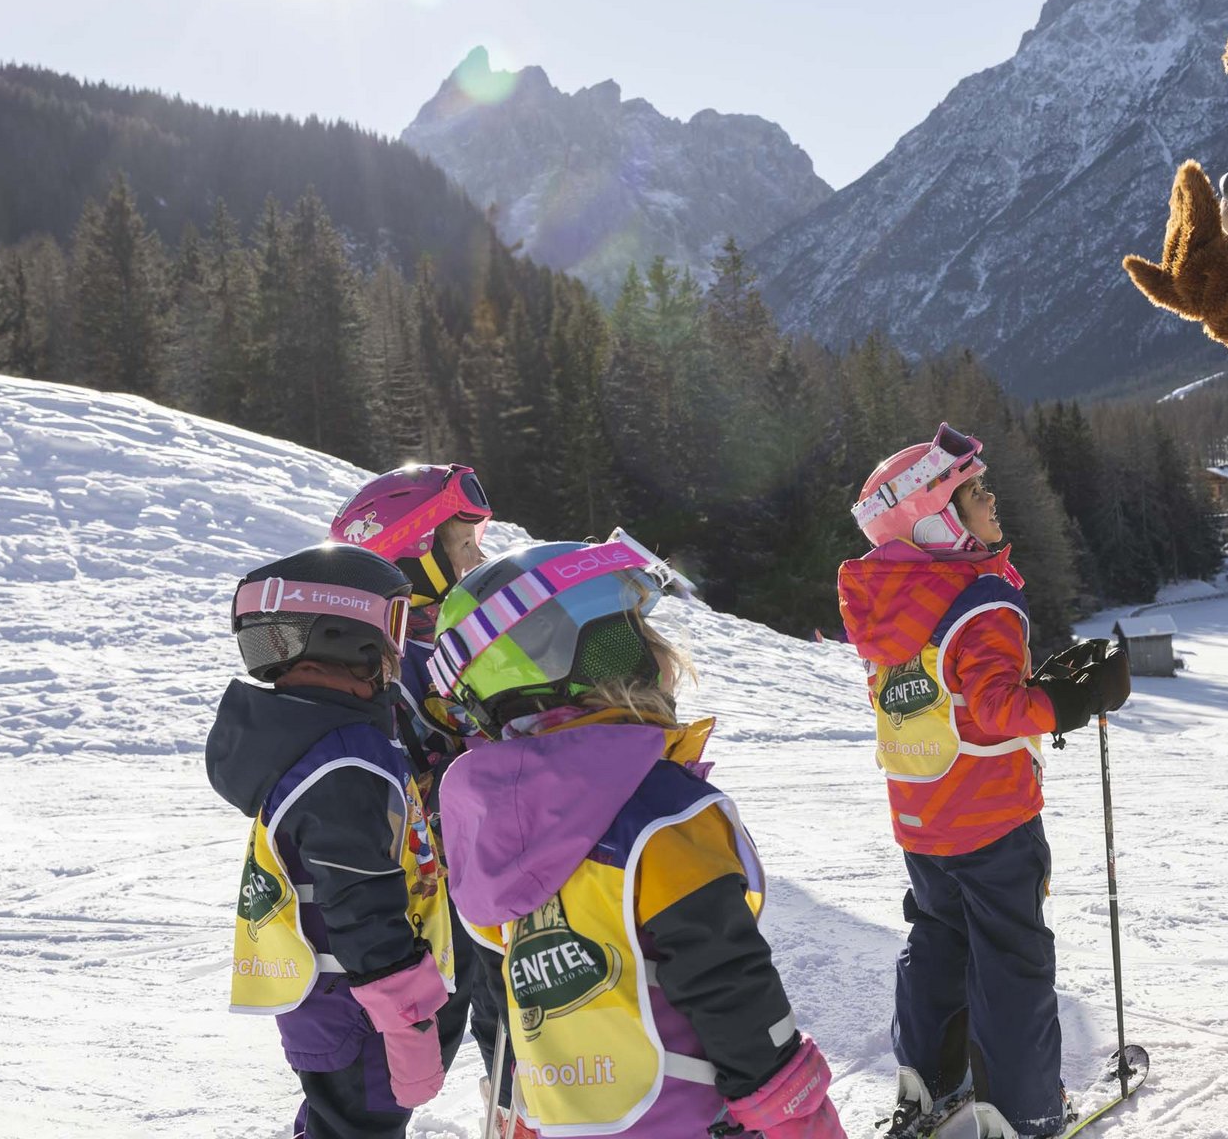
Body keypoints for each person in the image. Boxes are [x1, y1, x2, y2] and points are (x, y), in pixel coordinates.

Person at [428, 534, 846, 1139]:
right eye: (633, 630)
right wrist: (796, 1111)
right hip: (681, 1116)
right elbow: (726, 981)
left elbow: (519, 994)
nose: (659, 650)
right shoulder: (662, 811)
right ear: (607, 655)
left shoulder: (503, 824)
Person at [837, 425, 1131, 1139]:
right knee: (1011, 958)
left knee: (938, 937)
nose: (993, 498)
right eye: (974, 493)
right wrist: (1070, 701)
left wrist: (1032, 686)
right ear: (936, 519)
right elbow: (998, 709)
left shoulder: (888, 601)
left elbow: (947, 694)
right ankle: (1025, 1109)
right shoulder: (983, 598)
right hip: (993, 818)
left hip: (920, 814)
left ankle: (926, 1081)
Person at [207, 543, 457, 1139]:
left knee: (338, 1119)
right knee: (361, 1126)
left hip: (329, 999)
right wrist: (408, 1020)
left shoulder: (313, 737)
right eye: (395, 624)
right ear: (347, 634)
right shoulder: (346, 761)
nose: (401, 650)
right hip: (362, 1004)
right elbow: (360, 900)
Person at [326, 463, 520, 1126]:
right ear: (415, 560)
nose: (481, 557)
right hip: (423, 906)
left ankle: (518, 1114)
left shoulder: (462, 638)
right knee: (395, 1065)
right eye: (466, 545)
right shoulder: (385, 661)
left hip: (491, 888)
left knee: (521, 1040)